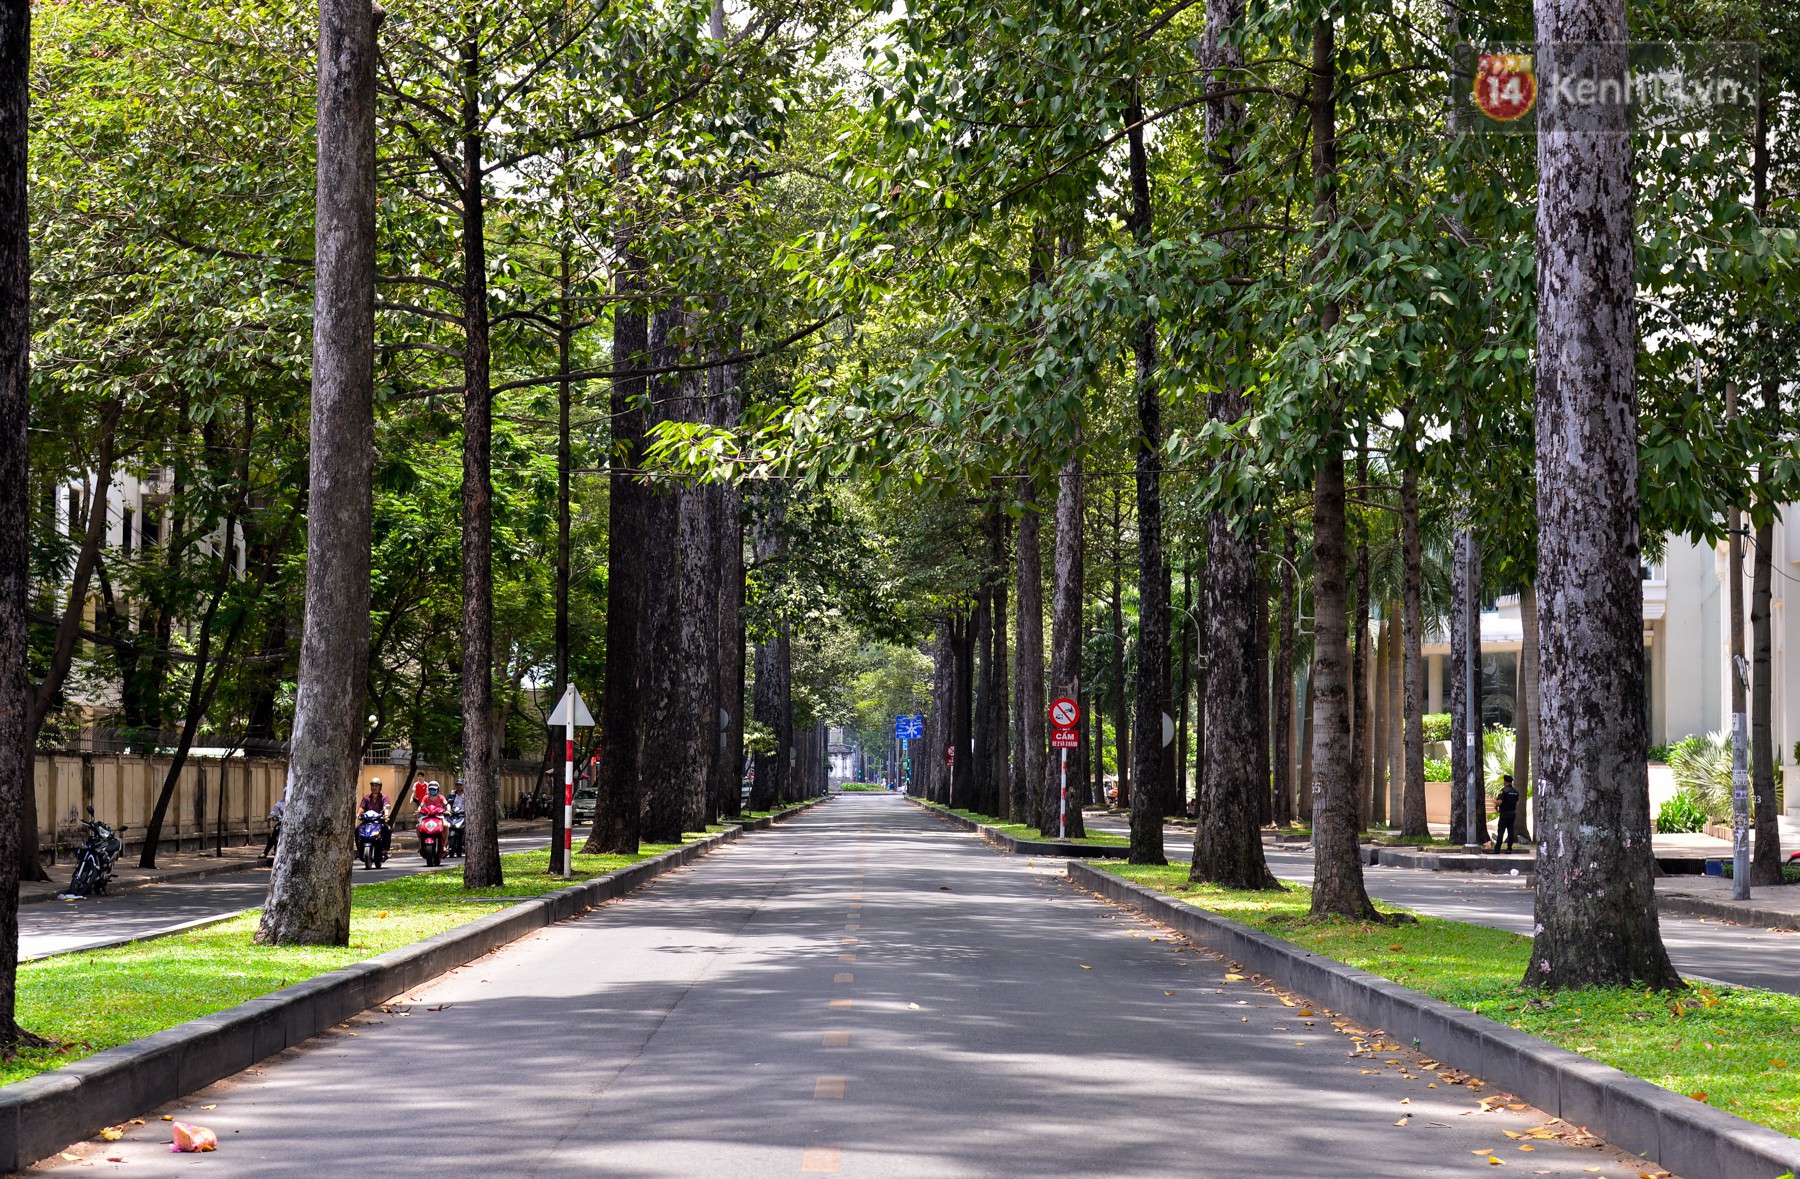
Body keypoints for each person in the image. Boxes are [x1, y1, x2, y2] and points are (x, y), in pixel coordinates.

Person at [1494, 773, 1521, 853]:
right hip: (1512, 813)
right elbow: (1516, 801)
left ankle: (1497, 849)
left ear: (1505, 782)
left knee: (1501, 832)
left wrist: (1494, 802)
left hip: (1504, 814)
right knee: (1511, 831)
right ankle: (1509, 849)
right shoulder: (1515, 791)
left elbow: (1499, 802)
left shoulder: (1504, 791)